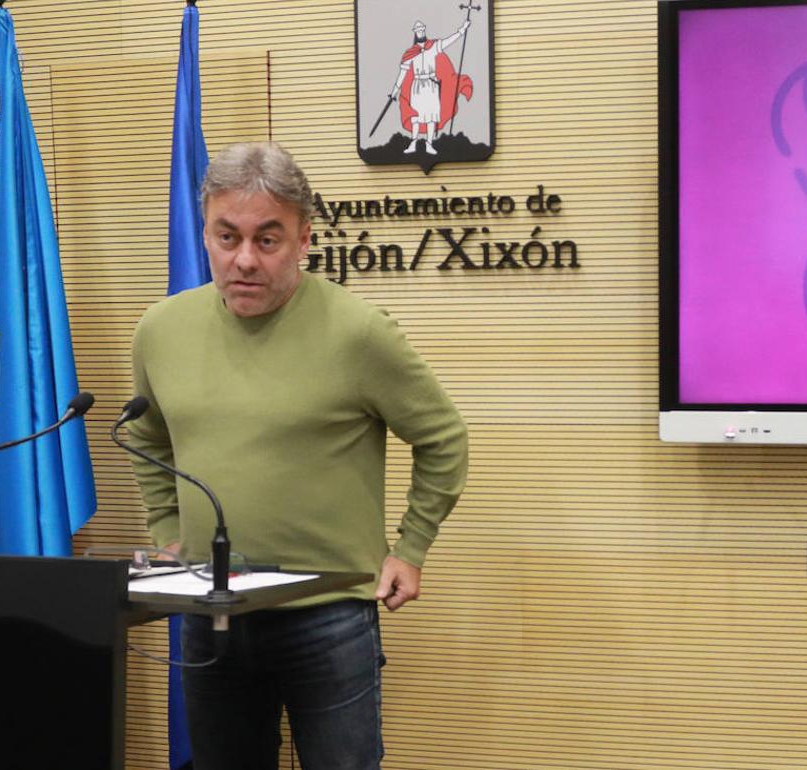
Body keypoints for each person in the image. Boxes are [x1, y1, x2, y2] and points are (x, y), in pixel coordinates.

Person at [128, 141, 469, 769]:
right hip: (212, 607)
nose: (244, 260)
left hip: (329, 615)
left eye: (267, 239)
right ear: (204, 233)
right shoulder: (160, 330)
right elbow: (148, 437)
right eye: (226, 237)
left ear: (305, 239)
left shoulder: (359, 332)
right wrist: (168, 530)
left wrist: (411, 549)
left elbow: (443, 438)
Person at [390, 18, 472, 154]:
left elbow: (449, 41)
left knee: (431, 116)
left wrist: (462, 29)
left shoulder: (433, 46)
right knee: (415, 116)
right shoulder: (410, 54)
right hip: (417, 86)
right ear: (415, 33)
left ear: (424, 30)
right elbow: (402, 74)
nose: (420, 32)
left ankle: (429, 144)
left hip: (431, 85)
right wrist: (393, 92)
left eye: (422, 29)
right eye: (418, 30)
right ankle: (413, 143)